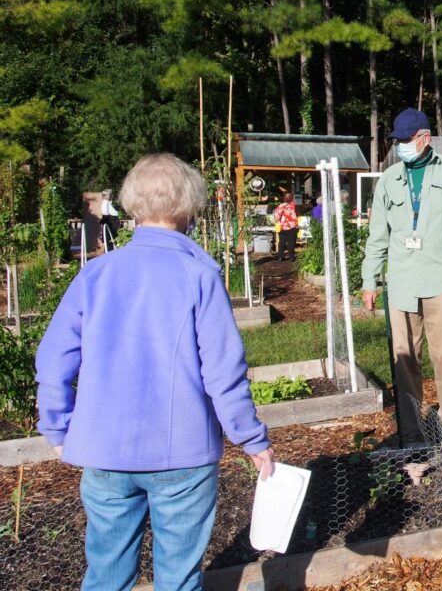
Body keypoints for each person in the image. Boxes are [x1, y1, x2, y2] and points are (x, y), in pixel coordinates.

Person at [35, 153, 274, 591]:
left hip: (105, 452)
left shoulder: (96, 274)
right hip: (182, 454)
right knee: (178, 578)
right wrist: (251, 438)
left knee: (106, 573)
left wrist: (56, 429)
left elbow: (53, 360)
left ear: (132, 206)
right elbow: (223, 372)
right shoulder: (200, 275)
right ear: (188, 207)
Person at [362, 108, 442, 447]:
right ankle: (413, 431)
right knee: (405, 360)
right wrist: (369, 280)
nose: (399, 146)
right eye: (397, 141)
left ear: (424, 139)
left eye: (405, 140)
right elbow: (377, 237)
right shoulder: (388, 180)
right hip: (401, 283)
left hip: (441, 280)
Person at [273, 190, 299, 261]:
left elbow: (276, 216)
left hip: (283, 227)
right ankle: (291, 257)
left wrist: (278, 222)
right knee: (291, 242)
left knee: (282, 242)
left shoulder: (281, 206)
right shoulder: (294, 206)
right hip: (293, 227)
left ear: (284, 198)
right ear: (292, 198)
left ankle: (281, 256)